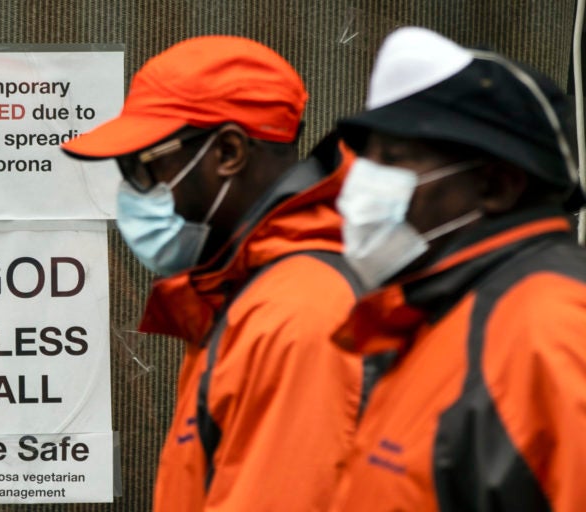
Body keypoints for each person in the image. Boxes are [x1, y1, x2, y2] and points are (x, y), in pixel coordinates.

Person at [61, 35, 366, 511]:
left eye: (141, 167)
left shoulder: (298, 314)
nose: (133, 192)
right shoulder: (245, 292)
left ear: (228, 152)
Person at [329, 26, 586, 511]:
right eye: (369, 159)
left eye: (396, 161)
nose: (360, 185)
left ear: (496, 186)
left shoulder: (550, 328)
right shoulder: (435, 320)